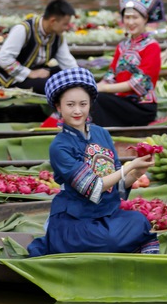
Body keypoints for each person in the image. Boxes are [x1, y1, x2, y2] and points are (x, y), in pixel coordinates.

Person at [27, 68, 157, 257]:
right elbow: (94, 187)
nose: (77, 110)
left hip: (106, 215)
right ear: (58, 107)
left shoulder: (101, 134)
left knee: (140, 220)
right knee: (109, 240)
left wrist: (137, 172)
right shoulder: (59, 147)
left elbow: (118, 184)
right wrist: (131, 166)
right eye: (70, 104)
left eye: (83, 104)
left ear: (90, 104)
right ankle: (60, 239)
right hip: (75, 220)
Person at [90, 0, 164, 128]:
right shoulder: (122, 46)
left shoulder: (152, 46)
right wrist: (93, 88)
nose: (130, 22)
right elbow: (111, 75)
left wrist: (104, 89)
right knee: (88, 98)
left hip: (141, 106)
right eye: (127, 17)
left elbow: (139, 83)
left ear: (145, 19)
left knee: (98, 99)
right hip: (120, 101)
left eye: (135, 17)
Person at [0, 0, 78, 94]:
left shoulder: (57, 37)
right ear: (53, 21)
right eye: (65, 24)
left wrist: (80, 79)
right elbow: (3, 58)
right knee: (53, 85)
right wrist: (30, 73)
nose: (67, 28)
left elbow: (68, 62)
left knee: (64, 73)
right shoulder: (23, 30)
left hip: (37, 73)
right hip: (12, 78)